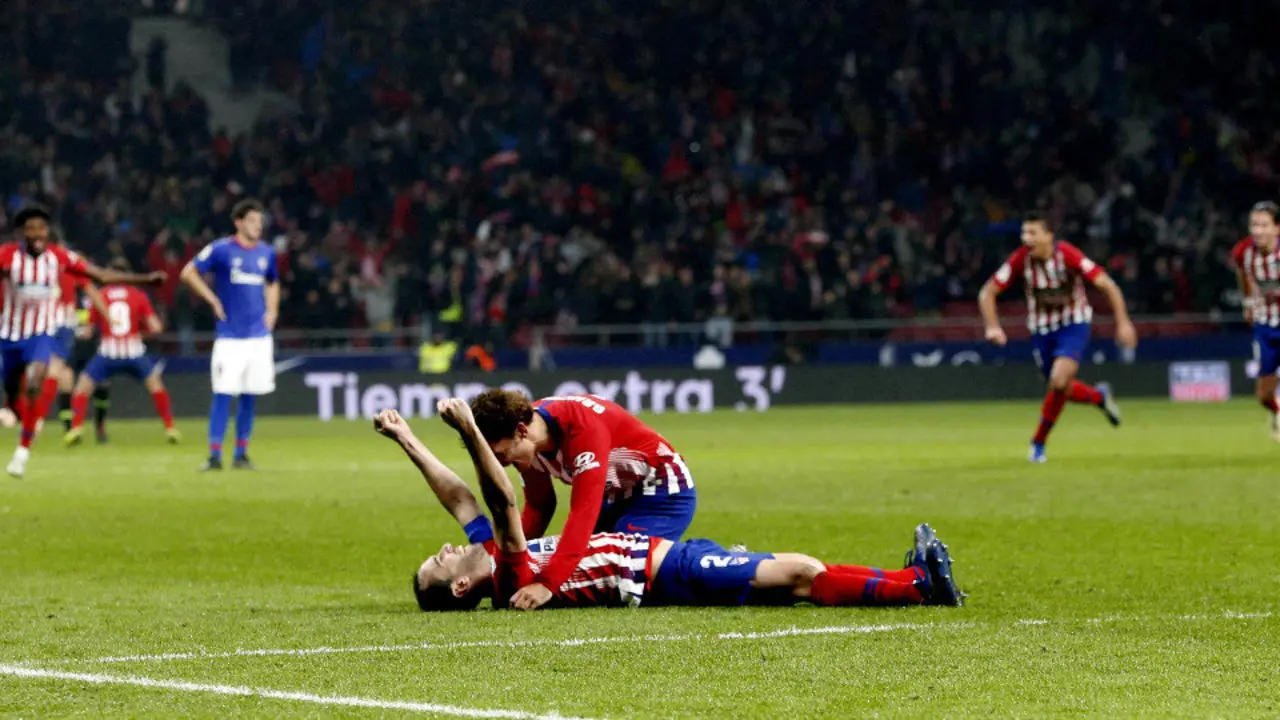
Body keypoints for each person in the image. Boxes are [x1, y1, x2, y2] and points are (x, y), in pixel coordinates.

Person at [372, 404, 965, 612]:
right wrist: (472, 433)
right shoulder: (508, 576)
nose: (444, 549)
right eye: (439, 562)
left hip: (649, 551)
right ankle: (919, 586)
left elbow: (458, 496)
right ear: (461, 588)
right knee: (798, 574)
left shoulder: (484, 550)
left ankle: (913, 579)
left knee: (794, 575)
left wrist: (406, 438)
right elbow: (501, 499)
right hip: (652, 571)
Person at [466, 388, 699, 611]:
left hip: (662, 494)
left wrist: (546, 584)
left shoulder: (582, 430)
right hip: (615, 495)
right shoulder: (526, 436)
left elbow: (583, 514)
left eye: (500, 455)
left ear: (521, 432)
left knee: (624, 570)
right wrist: (505, 562)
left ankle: (710, 562)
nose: (502, 465)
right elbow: (540, 505)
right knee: (581, 565)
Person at [1, 205, 165, 478]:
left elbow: (100, 277)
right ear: (22, 233)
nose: (37, 234)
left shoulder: (60, 257)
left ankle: (23, 450)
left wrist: (146, 279)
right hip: (8, 335)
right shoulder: (7, 257)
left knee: (38, 379)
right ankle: (18, 411)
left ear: (48, 231)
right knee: (18, 388)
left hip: (44, 332)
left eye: (42, 228)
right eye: (31, 229)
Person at [978, 211, 1137, 463]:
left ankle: (1037, 443)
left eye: (1032, 233)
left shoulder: (1069, 255)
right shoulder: (1020, 259)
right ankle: (1099, 397)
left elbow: (1107, 285)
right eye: (1024, 232)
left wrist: (1123, 322)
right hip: (1041, 330)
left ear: (1049, 235)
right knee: (1061, 386)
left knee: (1059, 379)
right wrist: (992, 326)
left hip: (1074, 324)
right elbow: (988, 291)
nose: (1026, 238)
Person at [180, 198, 280, 471]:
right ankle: (214, 455)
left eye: (260, 221)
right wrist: (212, 300)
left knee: (250, 394)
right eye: (252, 221)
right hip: (230, 337)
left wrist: (272, 310)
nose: (258, 226)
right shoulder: (221, 249)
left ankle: (241, 454)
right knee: (223, 393)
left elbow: (272, 282)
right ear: (238, 223)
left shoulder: (267, 252)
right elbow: (188, 272)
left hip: (258, 337)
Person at [63, 269, 179, 446]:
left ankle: (76, 427)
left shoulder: (100, 295)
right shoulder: (138, 295)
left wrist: (73, 331)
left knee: (82, 388)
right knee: (156, 387)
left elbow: (88, 332)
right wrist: (142, 333)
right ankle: (170, 428)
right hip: (134, 351)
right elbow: (155, 327)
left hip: (108, 352)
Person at [1231, 201, 1280, 437]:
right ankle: (1278, 412)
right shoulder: (1243, 252)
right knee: (1263, 396)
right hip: (1265, 326)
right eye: (1254, 225)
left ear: (1277, 228)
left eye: (1264, 225)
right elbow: (1242, 273)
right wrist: (1248, 303)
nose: (1257, 231)